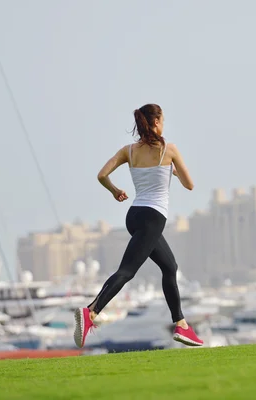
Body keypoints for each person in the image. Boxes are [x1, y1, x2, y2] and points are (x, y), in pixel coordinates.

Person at [73, 103, 203, 348]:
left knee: (170, 266)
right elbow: (190, 185)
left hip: (134, 216)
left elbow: (102, 174)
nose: (163, 124)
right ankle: (91, 312)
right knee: (128, 271)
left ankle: (182, 325)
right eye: (162, 120)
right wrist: (173, 172)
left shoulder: (129, 151)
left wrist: (114, 191)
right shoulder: (169, 149)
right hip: (153, 217)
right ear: (156, 123)